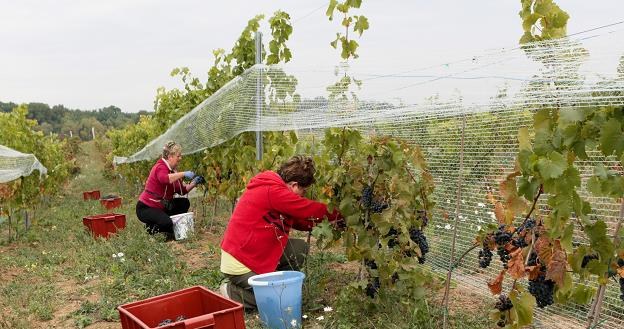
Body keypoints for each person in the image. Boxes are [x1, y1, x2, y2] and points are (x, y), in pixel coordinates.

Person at [218, 155, 343, 309]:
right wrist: (342, 214)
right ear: (294, 184)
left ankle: (268, 280)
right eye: (303, 190)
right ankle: (233, 293)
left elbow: (299, 220)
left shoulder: (275, 190)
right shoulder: (273, 191)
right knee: (282, 298)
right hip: (240, 262)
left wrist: (328, 223)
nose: (303, 194)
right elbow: (307, 209)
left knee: (299, 249)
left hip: (253, 252)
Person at [136, 141, 204, 239]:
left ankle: (164, 225)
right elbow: (165, 179)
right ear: (170, 156)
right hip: (146, 207)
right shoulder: (160, 167)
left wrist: (194, 183)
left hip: (160, 206)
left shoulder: (172, 172)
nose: (180, 158)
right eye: (178, 156)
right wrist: (183, 173)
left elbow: (182, 191)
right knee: (167, 223)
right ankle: (150, 229)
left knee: (184, 202)